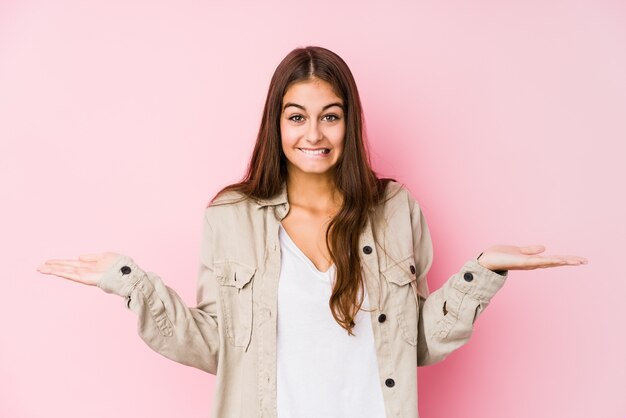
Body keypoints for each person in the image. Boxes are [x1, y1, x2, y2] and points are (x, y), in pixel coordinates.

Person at [37, 46, 587, 418]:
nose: (314, 133)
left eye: (331, 115)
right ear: (276, 123)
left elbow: (412, 342)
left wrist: (482, 272)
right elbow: (218, 346)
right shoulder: (230, 216)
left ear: (351, 121)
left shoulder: (396, 209)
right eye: (297, 116)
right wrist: (132, 283)